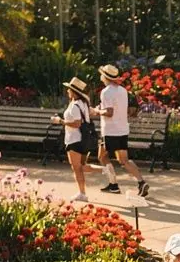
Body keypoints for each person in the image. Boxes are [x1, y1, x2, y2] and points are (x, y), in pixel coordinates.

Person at [91, 63, 149, 199]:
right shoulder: (122, 90)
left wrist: (96, 111)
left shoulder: (106, 92)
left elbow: (109, 112)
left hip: (110, 131)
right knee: (124, 160)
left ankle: (114, 184)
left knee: (102, 157)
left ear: (105, 77)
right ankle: (141, 181)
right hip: (122, 129)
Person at [51, 76, 94, 204]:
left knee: (77, 168)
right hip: (83, 139)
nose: (67, 91)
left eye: (69, 89)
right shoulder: (83, 103)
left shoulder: (75, 105)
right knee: (81, 166)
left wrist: (60, 121)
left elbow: (76, 123)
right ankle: (105, 170)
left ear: (74, 92)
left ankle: (82, 193)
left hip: (74, 139)